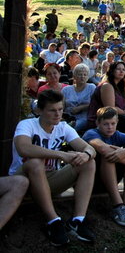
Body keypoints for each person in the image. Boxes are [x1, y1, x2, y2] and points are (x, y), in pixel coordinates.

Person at [9, 90, 96, 246]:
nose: (58, 114)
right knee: (36, 162)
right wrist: (60, 155)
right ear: (40, 110)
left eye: (60, 109)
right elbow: (24, 148)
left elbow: (89, 148)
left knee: (89, 163)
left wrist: (86, 155)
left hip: (51, 180)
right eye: (52, 110)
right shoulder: (27, 125)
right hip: (23, 181)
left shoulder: (63, 127)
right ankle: (53, 221)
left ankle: (77, 220)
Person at [83, 107, 125, 227]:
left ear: (117, 122)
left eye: (113, 123)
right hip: (91, 181)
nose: (110, 127)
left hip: (111, 179)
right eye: (106, 124)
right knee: (109, 157)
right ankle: (117, 205)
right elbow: (104, 149)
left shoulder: (119, 135)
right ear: (98, 123)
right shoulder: (91, 134)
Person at [61, 64, 96, 132]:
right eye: (80, 74)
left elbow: (94, 104)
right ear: (74, 76)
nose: (82, 77)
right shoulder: (66, 90)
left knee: (73, 127)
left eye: (85, 75)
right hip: (68, 116)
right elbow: (61, 106)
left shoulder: (91, 87)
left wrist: (81, 107)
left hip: (84, 118)